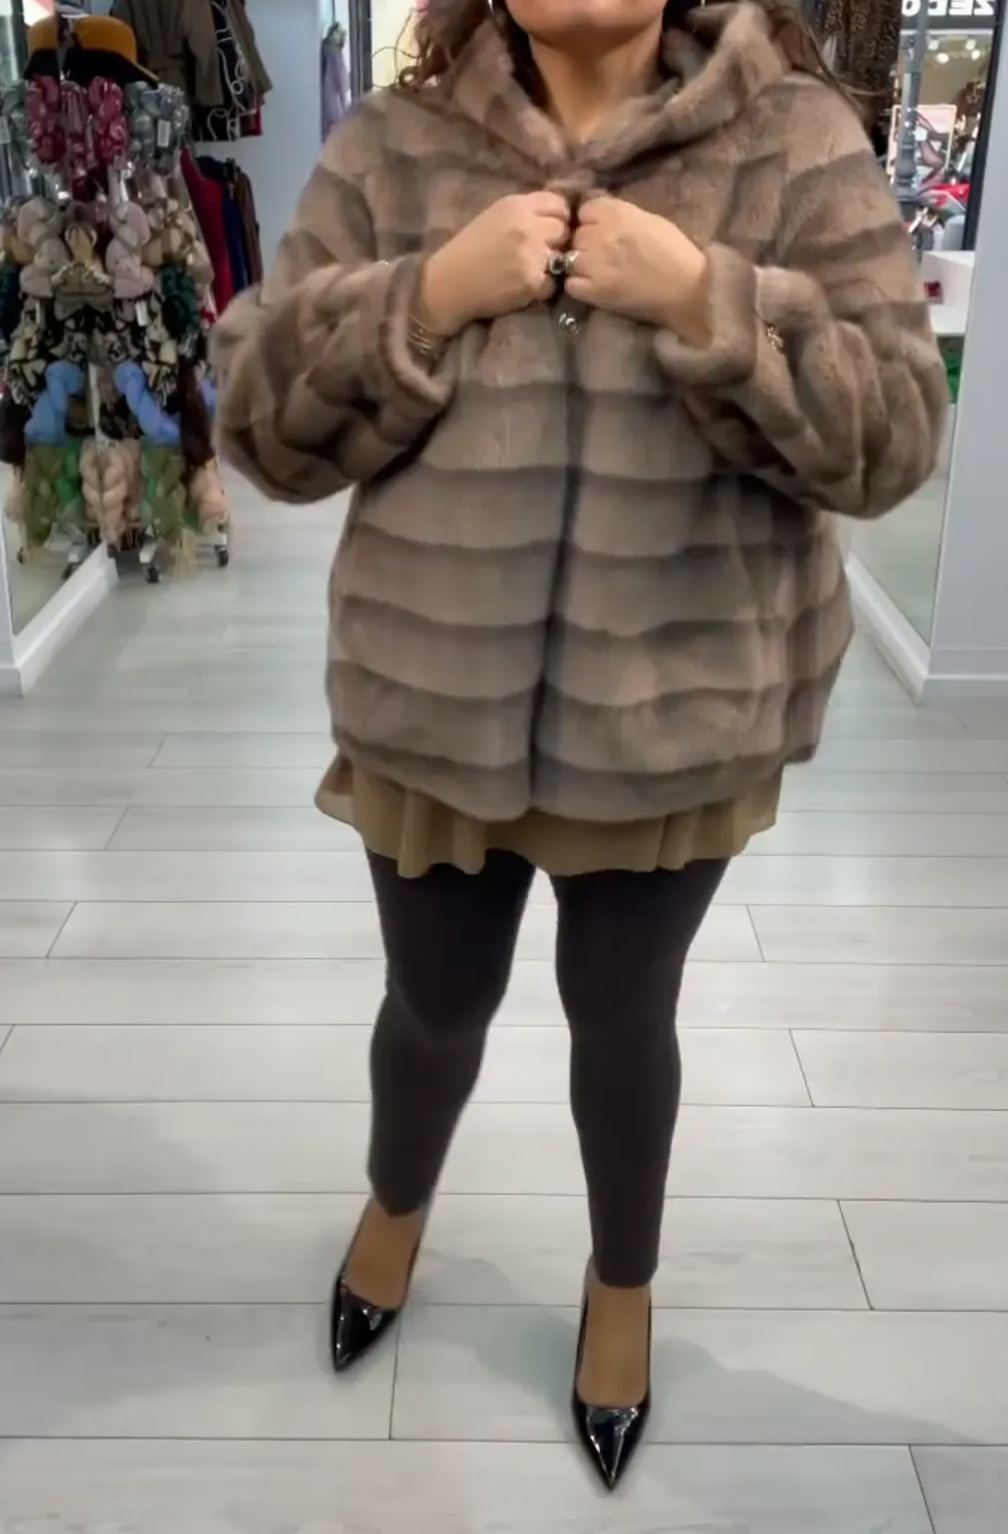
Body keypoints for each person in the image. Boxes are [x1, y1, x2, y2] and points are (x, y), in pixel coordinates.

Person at [213, 0, 946, 1490]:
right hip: (434, 700)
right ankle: (394, 1206)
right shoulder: (397, 146)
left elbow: (894, 440)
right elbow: (260, 425)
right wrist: (429, 294)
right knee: (433, 1005)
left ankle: (624, 1287)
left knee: (624, 1017)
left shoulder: (797, 145)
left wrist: (706, 300)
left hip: (671, 711)